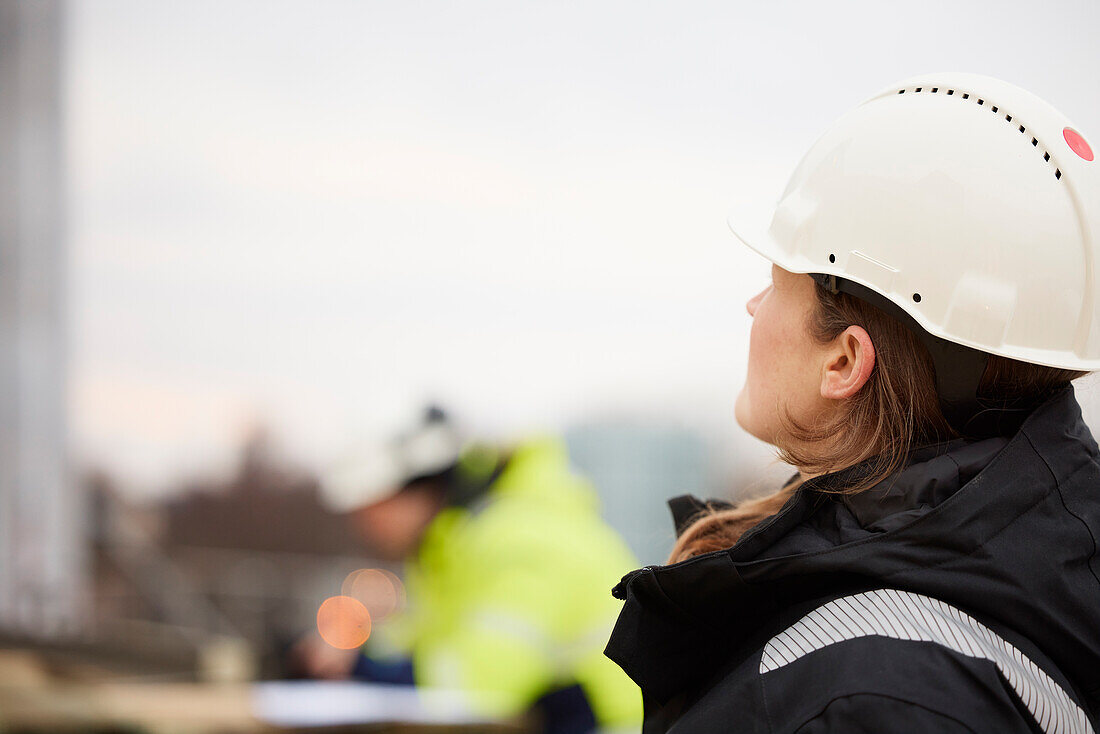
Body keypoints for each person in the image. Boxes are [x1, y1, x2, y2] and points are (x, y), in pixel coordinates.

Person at [604, 73, 1100, 733]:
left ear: (844, 361)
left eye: (778, 282)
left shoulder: (869, 704)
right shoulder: (1046, 569)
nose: (753, 305)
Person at [308, 406, 642, 733]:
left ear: (419, 487)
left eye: (374, 508)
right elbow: (424, 645)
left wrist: (362, 667)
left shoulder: (520, 538)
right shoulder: (454, 546)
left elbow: (479, 690)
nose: (367, 526)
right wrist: (352, 653)